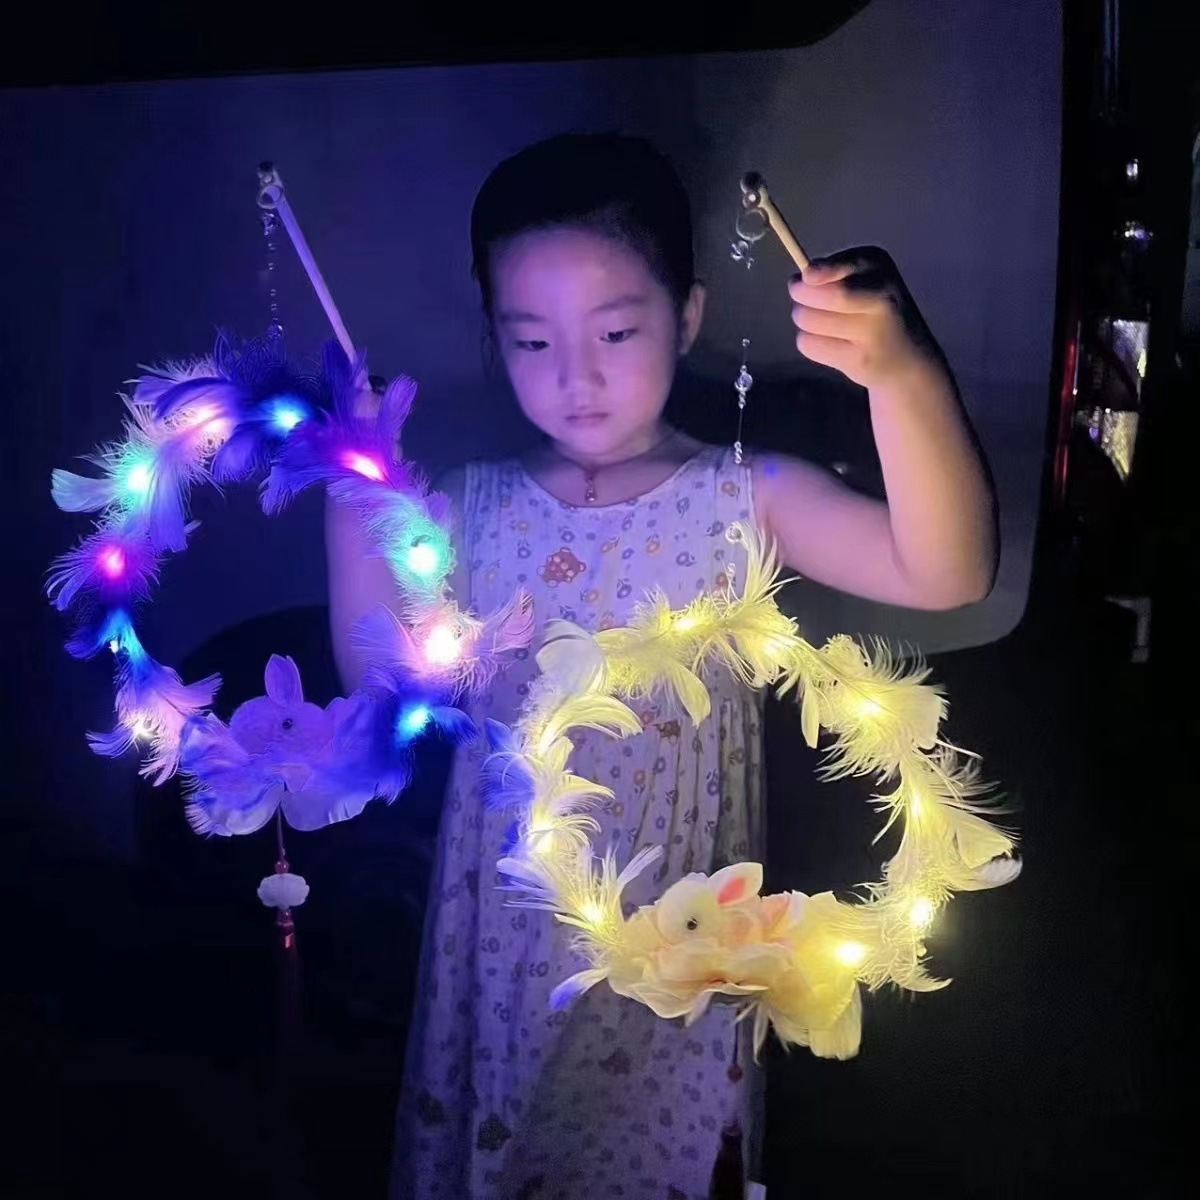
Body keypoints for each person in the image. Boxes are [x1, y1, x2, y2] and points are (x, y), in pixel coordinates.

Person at [326, 133, 997, 1199]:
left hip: (683, 937)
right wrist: (352, 493)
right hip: (506, 937)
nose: (576, 376)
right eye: (531, 340)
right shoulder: (469, 508)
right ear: (494, 340)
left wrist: (902, 373)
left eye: (616, 330)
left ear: (685, 317)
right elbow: (377, 681)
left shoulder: (745, 496)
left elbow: (948, 570)